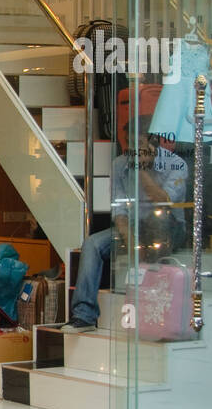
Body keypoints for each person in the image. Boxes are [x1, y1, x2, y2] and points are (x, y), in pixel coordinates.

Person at [64, 131, 188, 332]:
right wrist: (132, 243)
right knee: (92, 244)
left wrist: (141, 171)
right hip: (133, 226)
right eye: (132, 148)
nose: (134, 153)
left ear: (154, 146)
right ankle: (83, 315)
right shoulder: (120, 164)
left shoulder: (176, 165)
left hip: (168, 225)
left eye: (140, 146)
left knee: (157, 222)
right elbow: (119, 210)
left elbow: (162, 201)